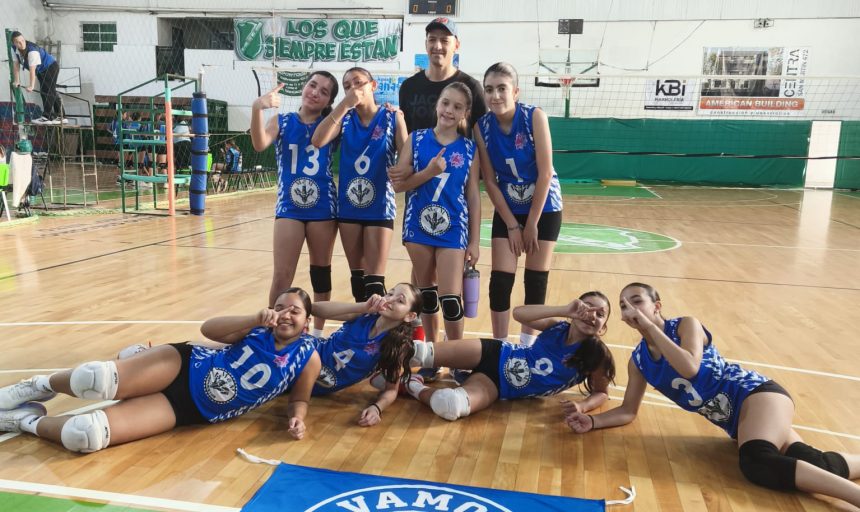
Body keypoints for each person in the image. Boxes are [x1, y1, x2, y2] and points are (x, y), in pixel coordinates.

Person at [565, 283, 860, 506]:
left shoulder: (685, 325)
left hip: (757, 395)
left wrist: (651, 329)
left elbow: (689, 367)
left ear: (657, 306)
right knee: (816, 464)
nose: (631, 308)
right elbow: (629, 410)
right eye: (624, 305)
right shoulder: (639, 361)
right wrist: (593, 421)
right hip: (738, 421)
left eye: (637, 300)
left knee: (757, 461)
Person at [0, 288, 322, 452]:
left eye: (294, 311)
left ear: (306, 322)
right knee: (94, 379)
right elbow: (208, 329)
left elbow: (299, 399)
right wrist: (253, 318)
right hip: (183, 366)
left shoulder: (308, 356)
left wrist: (298, 418)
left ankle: (25, 421)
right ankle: (37, 385)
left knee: (85, 435)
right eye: (279, 307)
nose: (285, 314)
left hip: (191, 409)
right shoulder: (257, 329)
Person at [404, 292, 615, 421]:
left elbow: (602, 392)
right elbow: (519, 314)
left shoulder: (597, 355)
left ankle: (410, 384)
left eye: (600, 314)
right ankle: (386, 369)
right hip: (494, 352)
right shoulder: (557, 327)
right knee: (418, 353)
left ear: (604, 327)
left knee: (450, 406)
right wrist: (564, 310)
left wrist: (582, 406)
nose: (592, 315)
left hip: (498, 385)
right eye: (587, 308)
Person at [388, 82, 481, 359]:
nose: (449, 110)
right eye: (445, 103)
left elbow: (473, 196)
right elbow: (398, 186)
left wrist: (475, 241)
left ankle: (456, 356)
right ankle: (432, 354)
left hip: (453, 228)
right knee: (427, 295)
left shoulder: (470, 149)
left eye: (457, 107)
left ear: (465, 113)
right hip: (418, 226)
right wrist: (428, 172)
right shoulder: (416, 140)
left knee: (451, 299)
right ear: (437, 104)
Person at [475, 63, 563, 346]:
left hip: (544, 207)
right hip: (508, 208)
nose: (495, 96)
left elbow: (545, 173)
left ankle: (526, 347)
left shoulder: (534, 117)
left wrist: (532, 224)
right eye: (489, 89)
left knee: (535, 280)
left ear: (515, 91)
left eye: (502, 88)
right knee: (500, 281)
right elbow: (490, 181)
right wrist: (513, 225)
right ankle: (499, 346)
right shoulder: (481, 127)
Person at [251, 72, 339, 337]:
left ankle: (317, 336)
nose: (315, 92)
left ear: (328, 102)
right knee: (282, 275)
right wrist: (257, 108)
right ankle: (271, 333)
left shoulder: (333, 124)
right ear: (304, 87)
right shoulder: (282, 121)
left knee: (321, 274)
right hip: (289, 206)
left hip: (323, 207)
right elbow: (259, 144)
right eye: (313, 85)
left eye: (324, 91)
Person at [311, 67, 407, 303]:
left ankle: (378, 326)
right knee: (358, 282)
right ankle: (361, 326)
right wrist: (344, 105)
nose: (353, 88)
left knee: (375, 284)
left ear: (372, 86)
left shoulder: (392, 117)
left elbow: (407, 159)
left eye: (358, 82)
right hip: (349, 207)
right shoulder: (344, 118)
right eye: (347, 86)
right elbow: (318, 140)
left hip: (379, 207)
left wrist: (401, 169)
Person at [310, 283, 423, 426]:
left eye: (400, 300)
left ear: (410, 316)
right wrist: (362, 307)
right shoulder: (365, 315)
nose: (391, 300)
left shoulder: (396, 346)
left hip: (312, 385)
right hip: (303, 354)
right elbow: (314, 309)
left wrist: (377, 408)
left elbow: (391, 391)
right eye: (390, 294)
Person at [397, 18, 486, 136]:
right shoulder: (408, 87)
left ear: (456, 45)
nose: (437, 46)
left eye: (444, 40)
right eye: (432, 39)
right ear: (426, 44)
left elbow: (484, 136)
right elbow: (403, 135)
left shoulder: (471, 87)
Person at [10, 31, 63, 125]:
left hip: (50, 67)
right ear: (14, 43)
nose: (21, 43)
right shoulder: (13, 49)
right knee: (50, 90)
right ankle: (61, 116)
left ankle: (46, 117)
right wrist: (16, 80)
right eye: (18, 42)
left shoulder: (32, 51)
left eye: (22, 40)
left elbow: (32, 70)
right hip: (41, 70)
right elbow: (16, 64)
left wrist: (31, 86)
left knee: (46, 91)